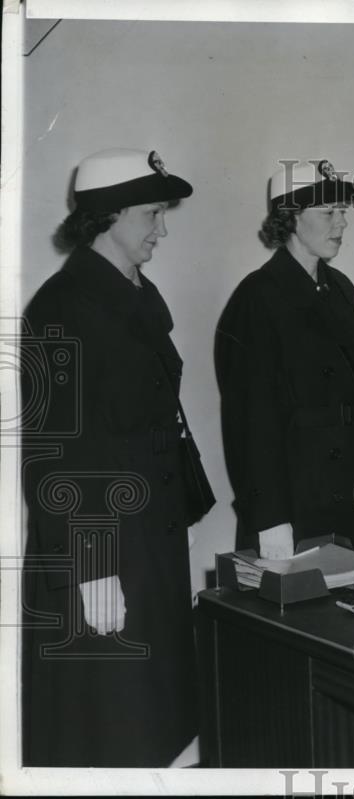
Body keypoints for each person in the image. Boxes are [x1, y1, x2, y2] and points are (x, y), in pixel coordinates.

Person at [21, 148, 199, 766]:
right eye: (152, 212)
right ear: (107, 215)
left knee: (162, 722)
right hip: (100, 553)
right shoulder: (62, 307)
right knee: (114, 727)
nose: (162, 228)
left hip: (150, 540)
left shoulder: (137, 295)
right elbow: (56, 459)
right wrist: (91, 569)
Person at [215, 159, 354, 558]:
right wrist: (269, 519)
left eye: (343, 212)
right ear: (291, 218)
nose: (341, 224)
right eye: (328, 213)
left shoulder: (341, 289)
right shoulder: (257, 297)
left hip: (353, 490)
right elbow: (249, 422)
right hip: (293, 502)